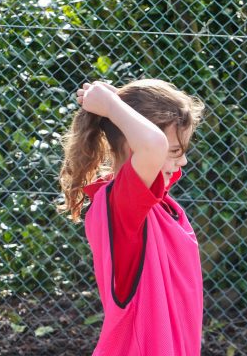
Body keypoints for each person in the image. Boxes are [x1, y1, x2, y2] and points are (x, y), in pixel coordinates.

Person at [59, 79, 205, 355]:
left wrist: (116, 105)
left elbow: (151, 146)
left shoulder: (157, 202)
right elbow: (151, 144)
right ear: (132, 146)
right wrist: (112, 107)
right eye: (174, 152)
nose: (182, 161)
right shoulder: (121, 206)